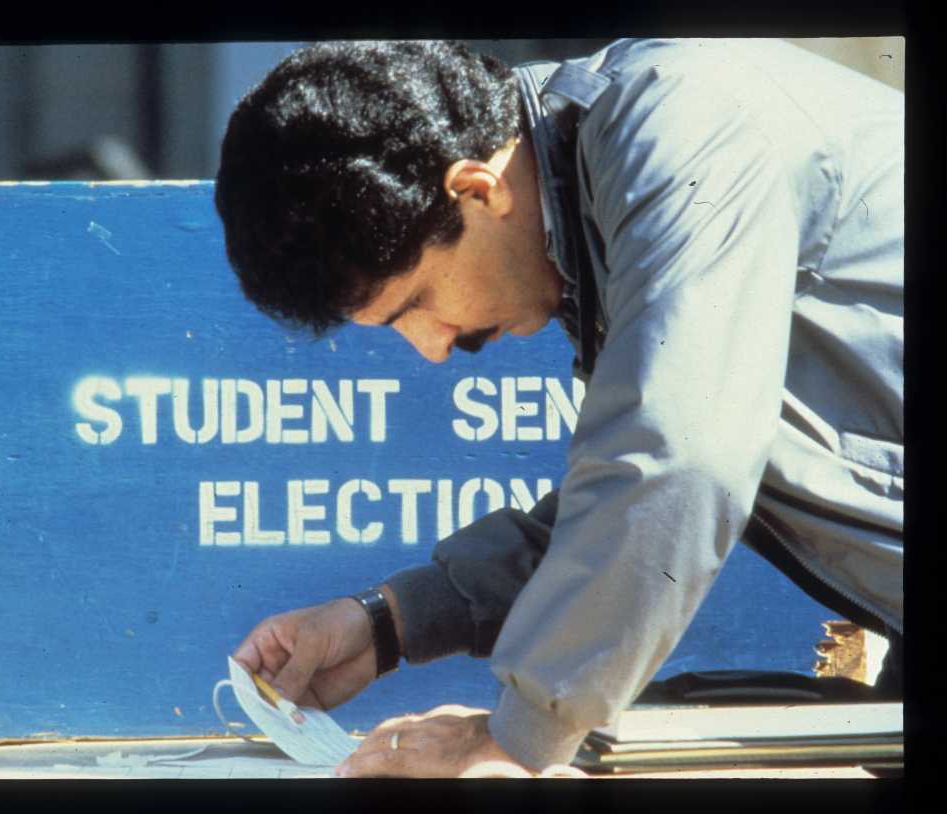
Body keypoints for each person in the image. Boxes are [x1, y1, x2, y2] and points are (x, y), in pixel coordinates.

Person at [213, 39, 903, 777]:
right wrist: (393, 620)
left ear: (479, 191)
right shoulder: (592, 179)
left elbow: (676, 458)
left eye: (416, 304)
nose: (433, 348)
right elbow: (634, 485)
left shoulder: (686, 132)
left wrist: (516, 740)